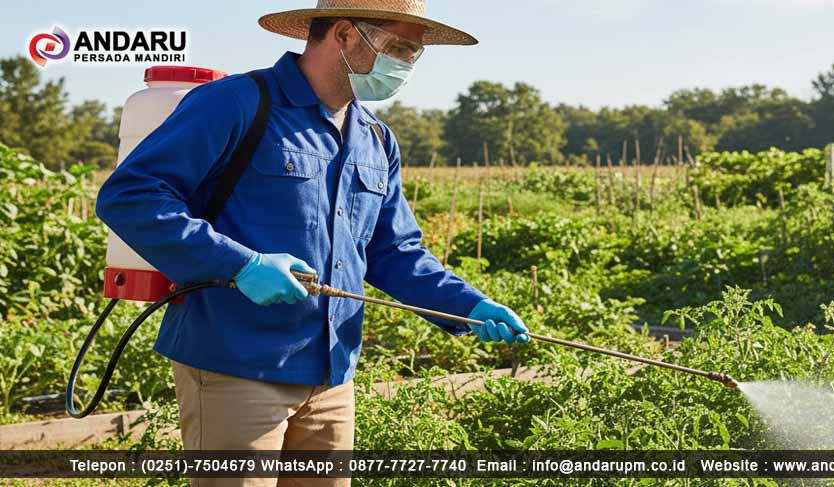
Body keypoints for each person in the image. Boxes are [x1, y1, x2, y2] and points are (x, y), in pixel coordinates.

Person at [94, 1, 529, 485]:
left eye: (414, 53)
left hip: (331, 376)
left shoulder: (375, 139)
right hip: (235, 363)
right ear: (344, 34)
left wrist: (469, 306)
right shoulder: (239, 103)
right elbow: (131, 196)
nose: (405, 65)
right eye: (399, 47)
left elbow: (394, 252)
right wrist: (240, 264)